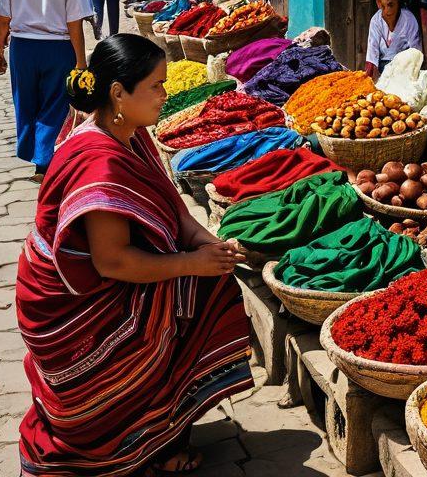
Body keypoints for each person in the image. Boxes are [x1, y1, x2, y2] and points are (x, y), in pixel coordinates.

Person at [15, 34, 252, 476]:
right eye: (157, 86)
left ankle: (159, 427)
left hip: (97, 282)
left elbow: (175, 210)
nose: (166, 95)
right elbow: (112, 262)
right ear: (118, 92)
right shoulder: (100, 159)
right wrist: (192, 264)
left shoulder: (129, 133)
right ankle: (129, 440)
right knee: (197, 289)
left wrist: (207, 243)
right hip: (71, 305)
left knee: (212, 279)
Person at [0, 0, 93, 177]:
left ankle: (37, 157)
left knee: (25, 101)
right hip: (58, 49)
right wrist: (81, 62)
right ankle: (45, 159)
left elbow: (1, 19)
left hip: (23, 48)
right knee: (56, 103)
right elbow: (74, 24)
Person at [364, 0, 422, 79]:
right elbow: (372, 49)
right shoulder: (376, 20)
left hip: (404, 66)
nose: (386, 10)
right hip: (383, 65)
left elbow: (416, 51)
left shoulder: (409, 19)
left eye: (390, 4)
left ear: (398, 2)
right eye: (383, 6)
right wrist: (367, 77)